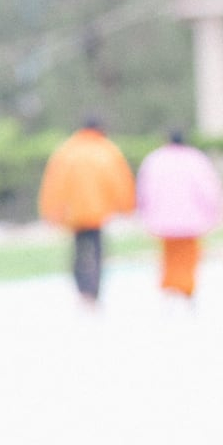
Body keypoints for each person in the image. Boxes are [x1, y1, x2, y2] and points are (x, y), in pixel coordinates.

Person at [37, 116, 136, 305]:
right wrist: (127, 207)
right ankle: (94, 290)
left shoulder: (67, 151)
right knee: (97, 252)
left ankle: (82, 289)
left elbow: (54, 184)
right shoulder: (106, 150)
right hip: (98, 213)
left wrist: (51, 211)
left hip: (74, 214)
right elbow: (120, 182)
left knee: (79, 251)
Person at [136, 129, 223, 301]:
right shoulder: (195, 159)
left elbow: (145, 190)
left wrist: (145, 212)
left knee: (169, 255)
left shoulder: (155, 160)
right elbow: (208, 188)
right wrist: (214, 211)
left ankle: (171, 286)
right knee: (188, 255)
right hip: (192, 219)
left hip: (163, 219)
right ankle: (186, 287)